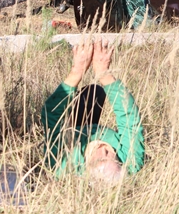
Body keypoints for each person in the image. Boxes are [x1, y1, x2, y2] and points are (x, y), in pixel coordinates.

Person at [41, 39, 144, 183]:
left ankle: (71, 123)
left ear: (85, 168)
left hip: (73, 133)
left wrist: (77, 71)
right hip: (92, 126)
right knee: (95, 93)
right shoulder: (131, 161)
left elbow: (51, 114)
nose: (103, 149)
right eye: (109, 156)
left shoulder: (63, 165)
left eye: (100, 159)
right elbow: (129, 116)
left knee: (86, 100)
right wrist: (104, 73)